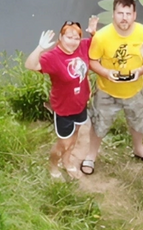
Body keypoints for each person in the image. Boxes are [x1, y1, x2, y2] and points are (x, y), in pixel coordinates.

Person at [87, 0, 143, 166]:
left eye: (128, 13)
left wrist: (140, 71)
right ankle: (91, 155)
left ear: (134, 15)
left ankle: (139, 148)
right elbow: (92, 61)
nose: (124, 17)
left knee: (139, 122)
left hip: (135, 89)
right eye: (120, 13)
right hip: (106, 91)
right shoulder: (102, 36)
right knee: (99, 123)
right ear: (113, 14)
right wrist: (106, 73)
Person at [25, 22, 95, 178]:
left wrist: (93, 32)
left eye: (76, 38)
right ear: (61, 37)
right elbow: (30, 65)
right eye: (68, 37)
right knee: (63, 142)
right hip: (63, 108)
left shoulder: (82, 47)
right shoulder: (53, 56)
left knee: (75, 133)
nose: (73, 41)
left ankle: (67, 161)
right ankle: (53, 166)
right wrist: (40, 48)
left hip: (80, 104)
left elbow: (98, 44)